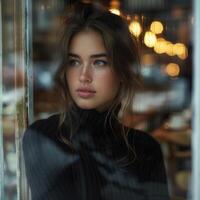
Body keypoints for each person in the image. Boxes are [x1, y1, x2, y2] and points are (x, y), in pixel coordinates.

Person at [22, 2, 169, 200]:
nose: (84, 76)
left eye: (99, 62)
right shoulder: (43, 138)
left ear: (122, 72)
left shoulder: (145, 149)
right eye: (74, 61)